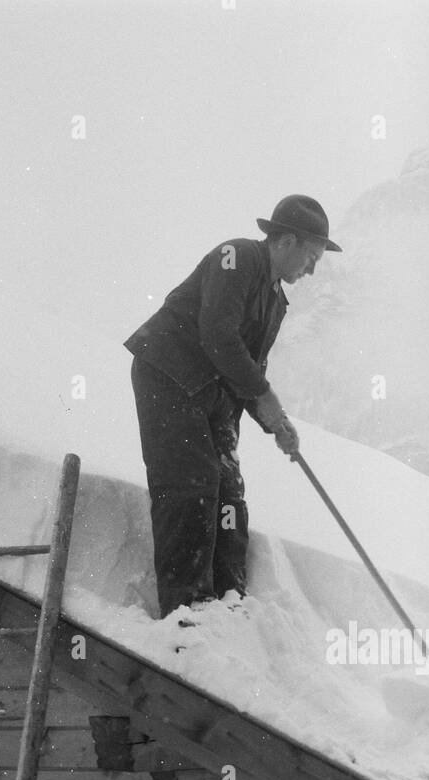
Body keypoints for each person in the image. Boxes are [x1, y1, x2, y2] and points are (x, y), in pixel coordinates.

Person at [125, 194, 342, 620]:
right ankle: (187, 608)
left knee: (228, 490)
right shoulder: (236, 257)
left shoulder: (276, 300)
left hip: (214, 395)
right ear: (286, 242)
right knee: (191, 482)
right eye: (312, 256)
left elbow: (250, 368)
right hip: (169, 374)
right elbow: (219, 336)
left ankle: (229, 598)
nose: (312, 268)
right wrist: (269, 402)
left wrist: (275, 422)